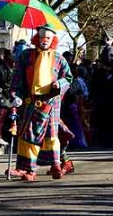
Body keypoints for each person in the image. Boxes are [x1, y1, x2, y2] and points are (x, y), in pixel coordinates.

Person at [6, 23, 73, 181]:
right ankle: (27, 169)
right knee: (28, 135)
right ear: (37, 37)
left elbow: (69, 78)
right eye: (42, 37)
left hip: (51, 103)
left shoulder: (60, 59)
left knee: (51, 135)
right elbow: (17, 78)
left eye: (48, 38)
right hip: (30, 101)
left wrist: (60, 84)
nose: (45, 40)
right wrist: (14, 96)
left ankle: (56, 165)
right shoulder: (25, 56)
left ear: (53, 40)